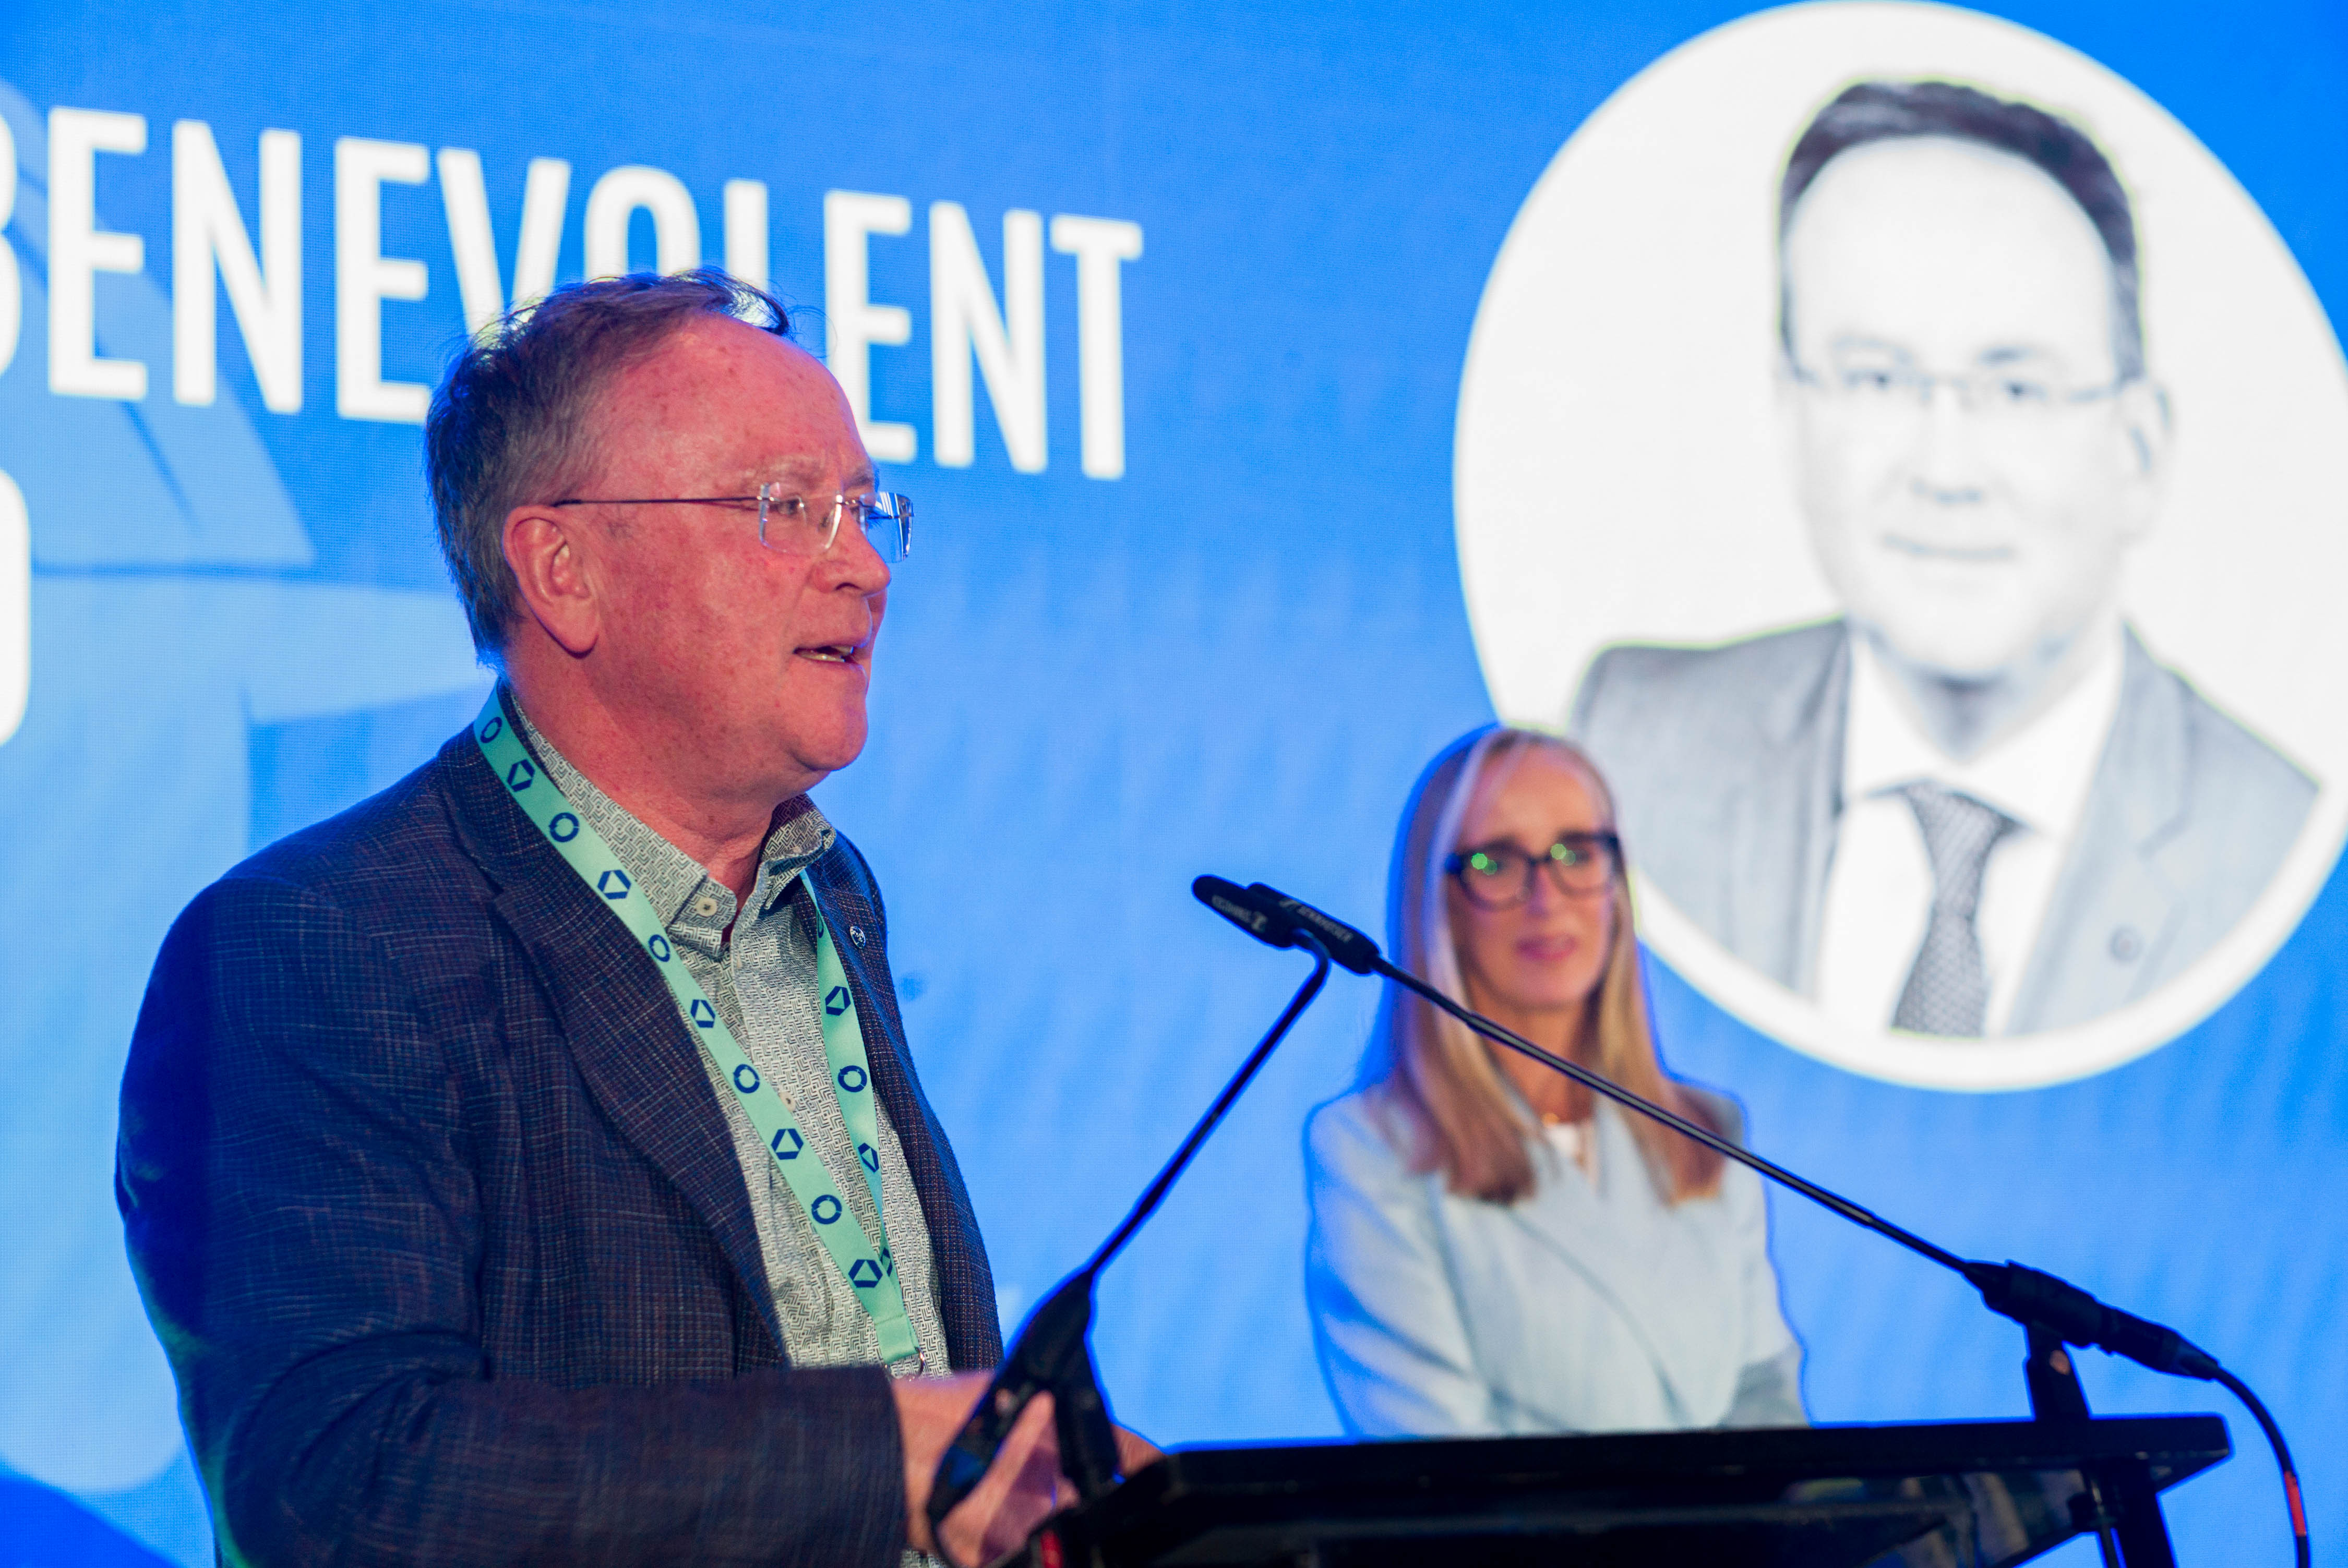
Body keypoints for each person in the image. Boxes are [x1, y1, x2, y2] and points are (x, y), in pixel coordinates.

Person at [115, 269, 1135, 1568]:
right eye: (787, 508)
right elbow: (341, 1488)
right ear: (565, 571)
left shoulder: (832, 896)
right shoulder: (319, 944)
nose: (866, 566)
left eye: (866, 509)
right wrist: (877, 1452)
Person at [1570, 80, 2314, 1038]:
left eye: (2016, 389)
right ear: (1792, 416)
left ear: (2138, 449)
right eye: (1877, 379)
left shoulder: (2279, 844)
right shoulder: (1630, 748)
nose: (1945, 470)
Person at [1304, 727, 1803, 1436]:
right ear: (1438, 902)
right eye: (1497, 861)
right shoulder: (1373, 1150)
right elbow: (1434, 1458)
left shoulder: (1707, 1133)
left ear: (1617, 884)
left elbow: (1765, 1407)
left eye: (1577, 853)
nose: (1547, 897)